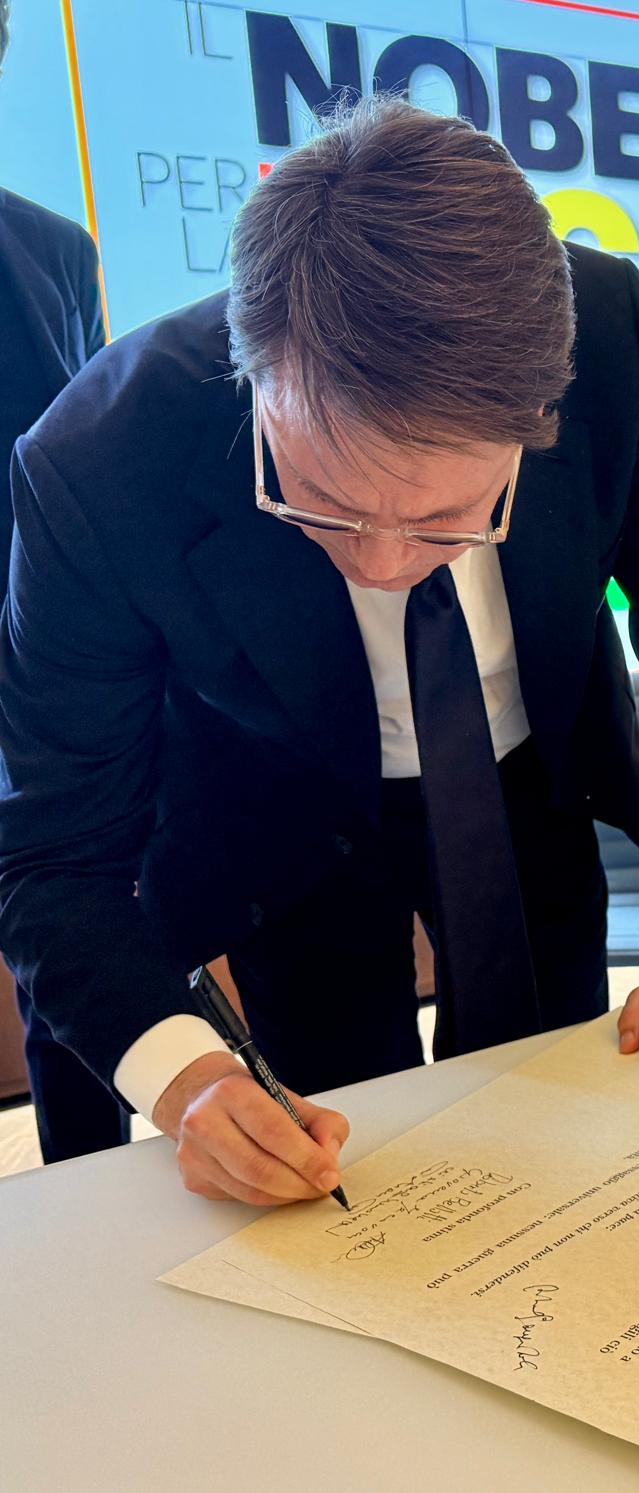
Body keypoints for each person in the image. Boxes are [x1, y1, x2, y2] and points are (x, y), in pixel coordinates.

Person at [0, 97, 639, 1206]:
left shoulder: (607, 338)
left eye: (446, 519)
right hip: (278, 812)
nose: (379, 565)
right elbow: (50, 856)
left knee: (554, 1118)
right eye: (316, 498)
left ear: (539, 418)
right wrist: (187, 1082)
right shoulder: (99, 460)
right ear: (255, 379)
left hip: (527, 781)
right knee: (337, 1160)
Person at [0, 0, 130, 1161]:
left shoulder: (56, 251)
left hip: (51, 650)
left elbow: (89, 461)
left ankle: (87, 1171)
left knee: (69, 916)